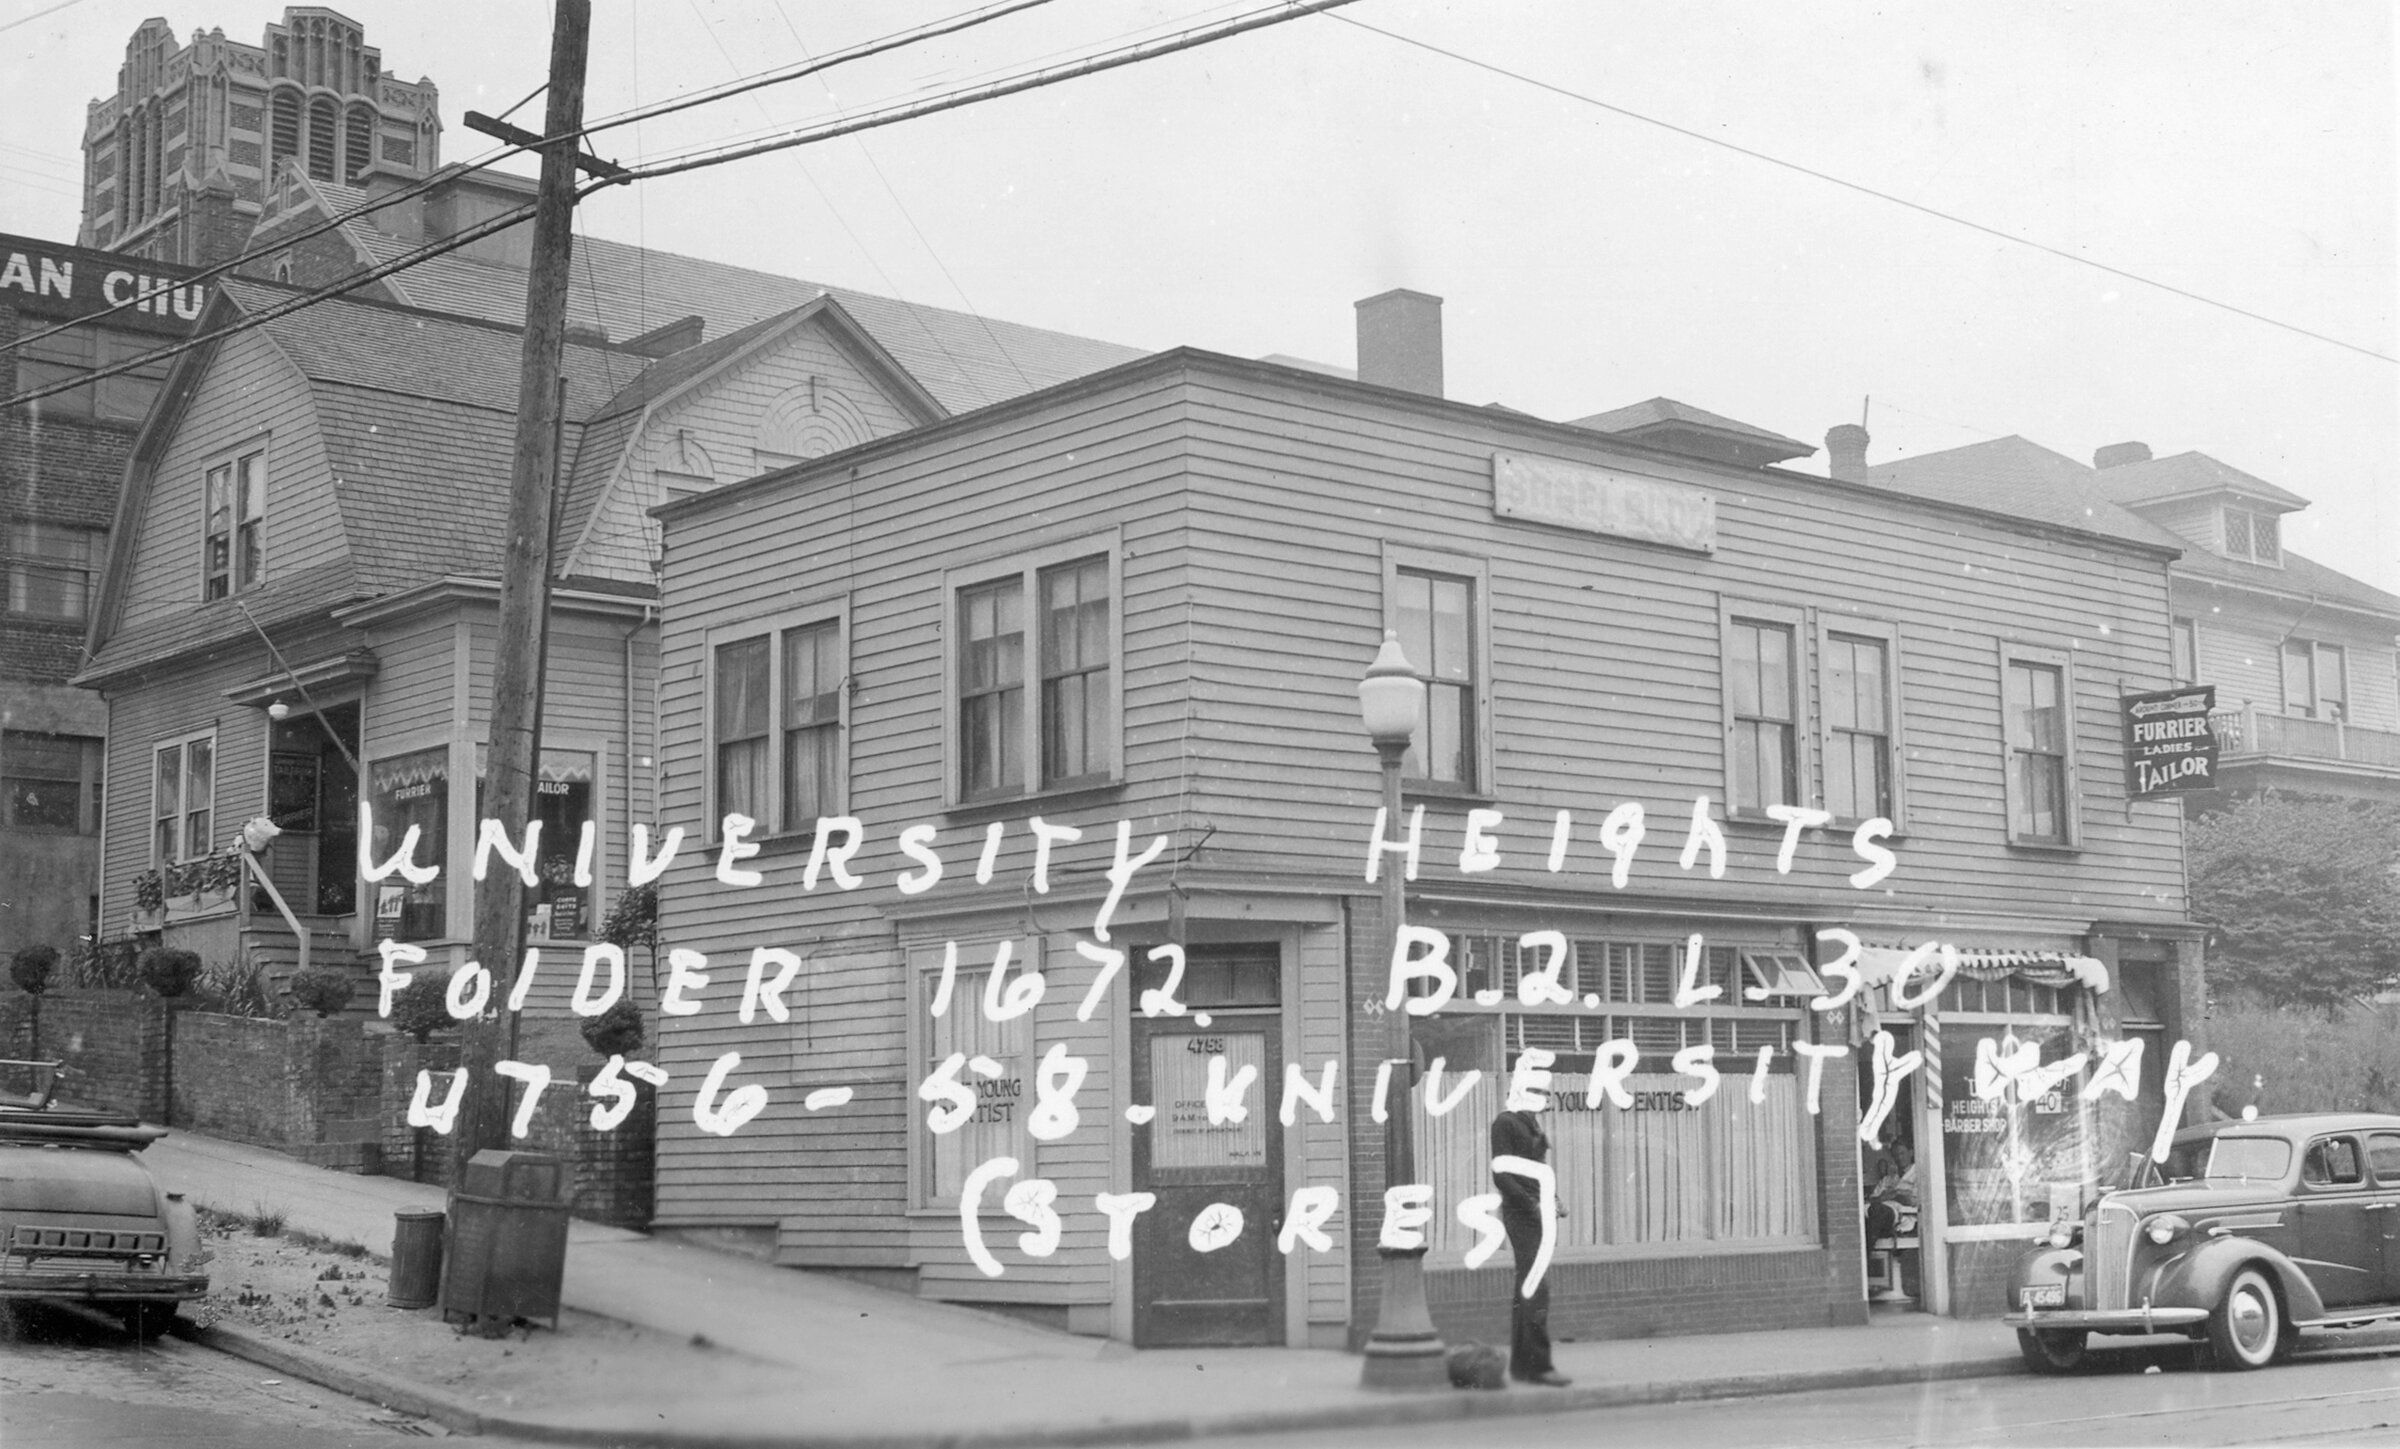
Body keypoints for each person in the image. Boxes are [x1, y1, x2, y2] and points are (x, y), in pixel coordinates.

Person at [1490, 1103, 1569, 1387]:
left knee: (1527, 1287)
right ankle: (1539, 1365)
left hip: (1539, 1212)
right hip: (1522, 1215)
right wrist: (1530, 1205)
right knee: (1537, 1287)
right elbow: (1500, 1173)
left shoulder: (1532, 1125)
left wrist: (1554, 1197)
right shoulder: (1505, 1123)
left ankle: (1523, 1365)